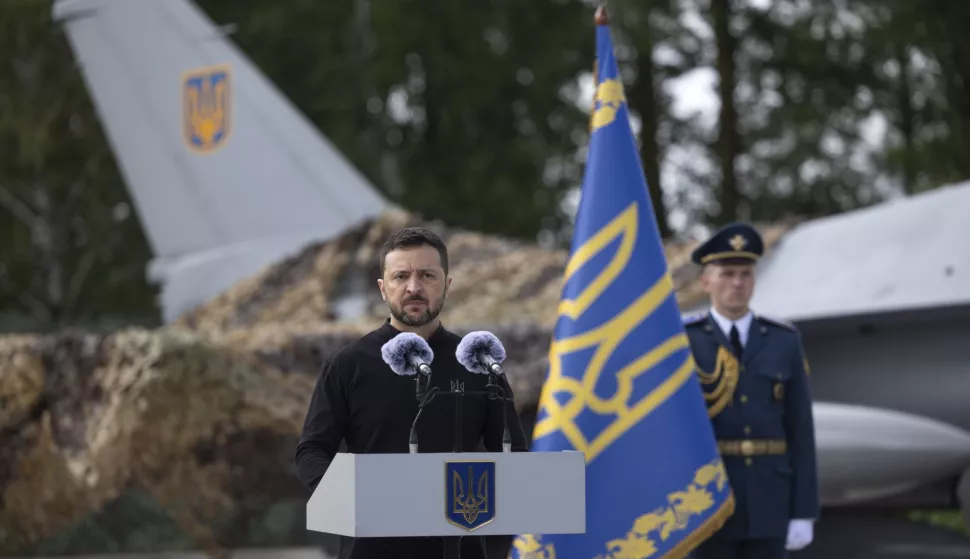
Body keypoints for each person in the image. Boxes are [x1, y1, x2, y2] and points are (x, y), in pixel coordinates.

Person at [295, 226, 529, 559]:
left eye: (427, 276)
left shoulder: (478, 362)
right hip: (370, 548)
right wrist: (349, 500)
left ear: (447, 284)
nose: (414, 287)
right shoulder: (348, 365)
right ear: (382, 288)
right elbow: (312, 451)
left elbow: (513, 460)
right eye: (401, 276)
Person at [684, 222, 819, 559]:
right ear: (706, 281)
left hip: (769, 503)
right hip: (706, 504)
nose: (737, 283)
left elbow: (800, 429)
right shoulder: (683, 340)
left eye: (745, 274)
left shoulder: (784, 340)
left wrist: (804, 510)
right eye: (727, 273)